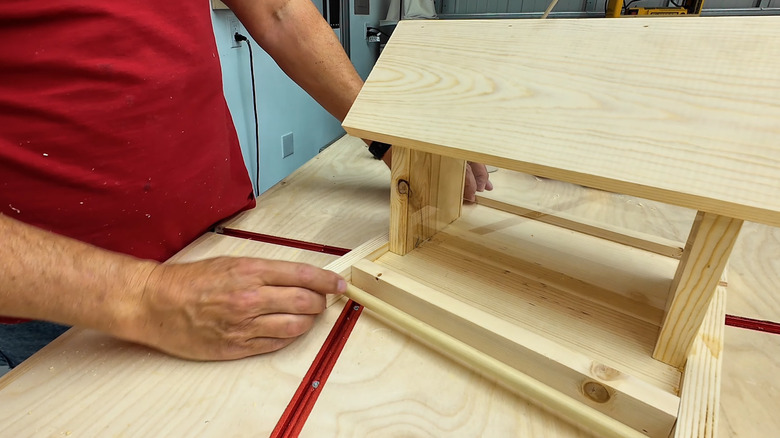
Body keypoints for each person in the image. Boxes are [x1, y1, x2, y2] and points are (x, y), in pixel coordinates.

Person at [0, 0, 492, 368]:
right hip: (59, 304)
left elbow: (279, 11)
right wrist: (144, 296)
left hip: (220, 243)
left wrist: (389, 136)